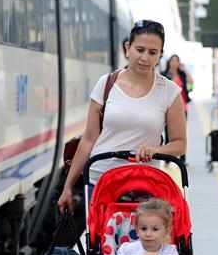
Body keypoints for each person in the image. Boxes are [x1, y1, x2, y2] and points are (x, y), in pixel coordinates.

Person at [57, 20, 187, 213]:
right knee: (101, 242)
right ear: (128, 48)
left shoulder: (170, 91)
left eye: (153, 52)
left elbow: (180, 144)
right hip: (100, 182)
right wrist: (68, 186)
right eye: (140, 49)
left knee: (144, 241)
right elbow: (88, 139)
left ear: (160, 55)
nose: (145, 57)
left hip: (144, 186)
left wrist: (155, 149)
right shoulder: (106, 84)